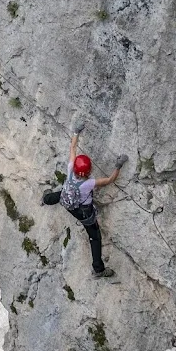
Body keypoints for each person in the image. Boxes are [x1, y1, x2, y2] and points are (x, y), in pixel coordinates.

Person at [42, 118, 128, 279]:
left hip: (67, 202)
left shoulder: (70, 169)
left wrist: (76, 131)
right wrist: (118, 165)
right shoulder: (88, 184)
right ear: (88, 171)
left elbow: (73, 147)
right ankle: (98, 269)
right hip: (84, 212)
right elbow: (109, 180)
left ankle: (46, 199)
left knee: (61, 193)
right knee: (95, 237)